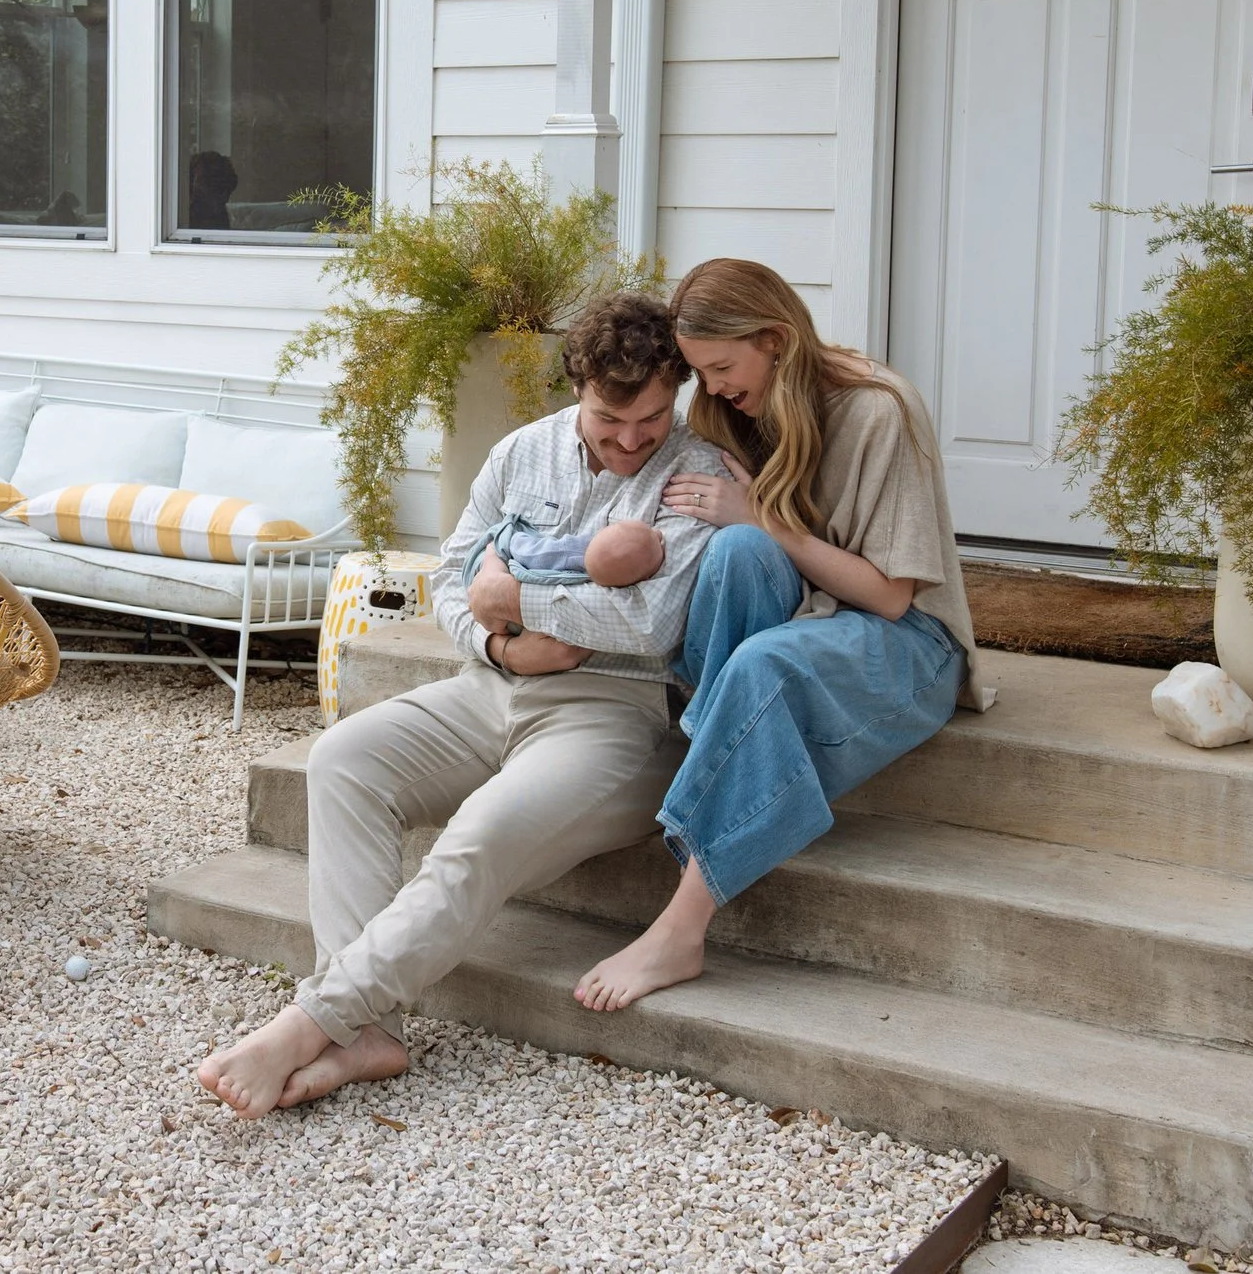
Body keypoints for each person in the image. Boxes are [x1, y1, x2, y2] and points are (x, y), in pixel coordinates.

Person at [197, 294, 730, 1118]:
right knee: (342, 760)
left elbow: (651, 621)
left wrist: (511, 595)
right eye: (608, 420)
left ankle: (314, 1021)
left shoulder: (700, 476)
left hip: (615, 712)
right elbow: (450, 580)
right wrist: (499, 645)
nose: (631, 441)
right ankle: (369, 1031)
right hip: (489, 685)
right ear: (576, 388)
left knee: (478, 833)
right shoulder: (523, 452)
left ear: (678, 394)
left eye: (652, 419)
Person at [573, 258, 990, 1013]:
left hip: (907, 646)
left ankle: (681, 927)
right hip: (813, 612)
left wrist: (760, 516)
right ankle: (723, 771)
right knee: (735, 554)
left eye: (724, 367)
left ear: (774, 339)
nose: (717, 388)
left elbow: (892, 600)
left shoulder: (878, 409)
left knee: (765, 651)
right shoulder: (731, 408)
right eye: (701, 374)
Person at [464, 515, 666, 589]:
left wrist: (506, 539)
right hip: (497, 565)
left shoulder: (569, 553)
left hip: (513, 556)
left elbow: (530, 552)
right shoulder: (597, 551)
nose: (658, 533)